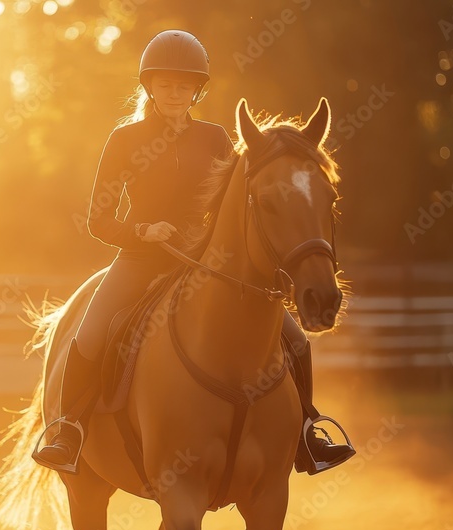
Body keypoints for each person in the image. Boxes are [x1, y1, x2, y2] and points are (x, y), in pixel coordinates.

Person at [32, 30, 354, 476]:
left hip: (210, 265)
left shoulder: (216, 138)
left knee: (295, 340)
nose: (175, 92)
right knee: (87, 335)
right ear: (149, 86)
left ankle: (307, 432)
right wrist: (143, 230)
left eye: (185, 85)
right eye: (166, 84)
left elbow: (239, 205)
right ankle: (67, 432)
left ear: (197, 90)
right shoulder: (124, 140)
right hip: (140, 260)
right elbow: (99, 220)